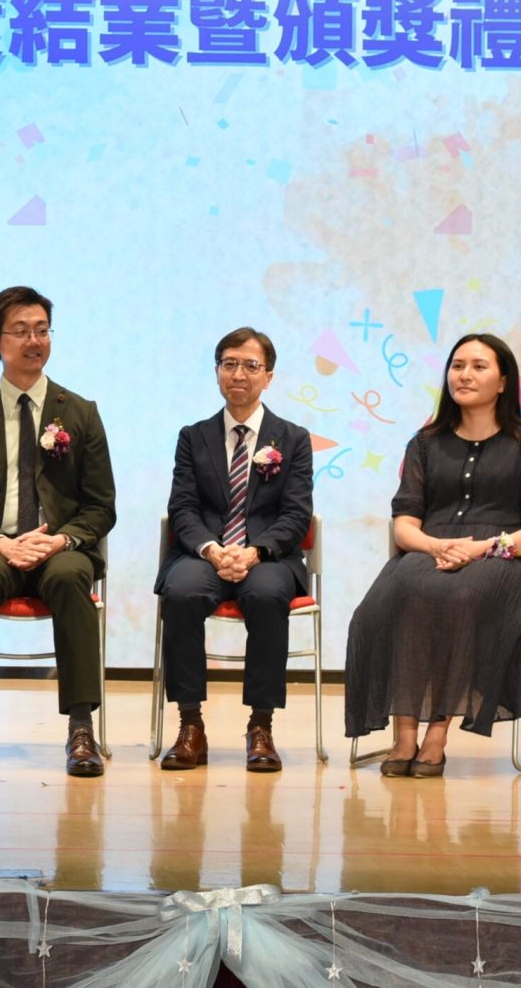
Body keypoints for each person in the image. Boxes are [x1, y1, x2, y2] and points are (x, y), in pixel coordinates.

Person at [343, 333, 521, 776]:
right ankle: (404, 734)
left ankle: (436, 734)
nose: (464, 374)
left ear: (503, 381)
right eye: (457, 365)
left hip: (504, 558)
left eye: (479, 366)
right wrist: (437, 545)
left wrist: (481, 549)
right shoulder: (425, 443)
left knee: (458, 598)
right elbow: (404, 525)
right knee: (385, 604)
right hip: (432, 550)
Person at [0, 286, 117, 778]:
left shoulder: (79, 412)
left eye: (42, 330)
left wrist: (60, 540)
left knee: (69, 575)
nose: (33, 341)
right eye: (20, 331)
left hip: (58, 548)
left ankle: (81, 730)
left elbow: (101, 507)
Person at [153, 327, 313, 773]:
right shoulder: (194, 436)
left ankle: (261, 726)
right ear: (217, 372)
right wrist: (211, 549)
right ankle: (190, 725)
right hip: (205, 554)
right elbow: (182, 507)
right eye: (229, 364)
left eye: (250, 365)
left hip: (267, 557)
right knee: (181, 593)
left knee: (266, 594)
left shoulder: (293, 438)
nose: (238, 374)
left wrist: (255, 551)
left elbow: (296, 514)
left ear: (269, 377)